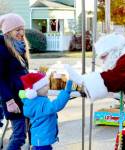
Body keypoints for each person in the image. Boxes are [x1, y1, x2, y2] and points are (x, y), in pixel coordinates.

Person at [65, 33, 125, 149]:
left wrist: (83, 81)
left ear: (113, 51)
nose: (104, 63)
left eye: (104, 58)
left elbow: (115, 78)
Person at [19, 72, 72, 150]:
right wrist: (66, 92)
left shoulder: (32, 101)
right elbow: (55, 105)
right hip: (43, 139)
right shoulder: (41, 103)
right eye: (44, 85)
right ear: (35, 90)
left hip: (38, 139)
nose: (48, 87)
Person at [0, 13, 29, 149]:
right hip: (13, 99)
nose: (21, 33)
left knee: (22, 133)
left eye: (22, 29)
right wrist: (9, 101)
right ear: (8, 31)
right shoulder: (2, 49)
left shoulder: (19, 46)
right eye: (17, 30)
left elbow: (20, 72)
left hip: (23, 97)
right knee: (19, 136)